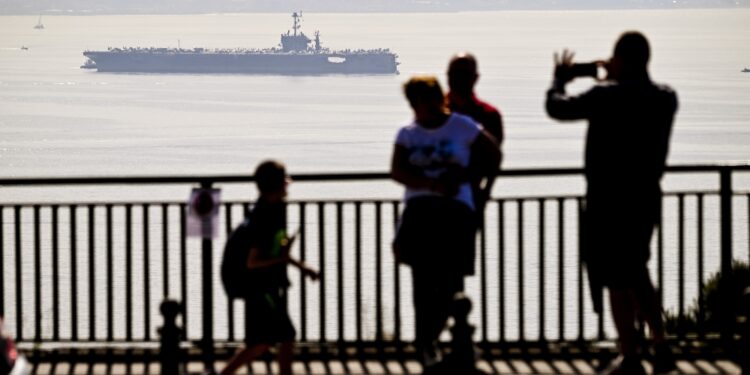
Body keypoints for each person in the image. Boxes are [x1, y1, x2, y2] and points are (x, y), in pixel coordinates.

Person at [545, 31, 677, 374]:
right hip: (645, 197)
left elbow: (557, 108)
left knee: (616, 280)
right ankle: (660, 343)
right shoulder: (665, 98)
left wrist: (559, 80)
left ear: (621, 59)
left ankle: (630, 356)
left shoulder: (604, 96)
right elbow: (634, 94)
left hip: (607, 200)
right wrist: (611, 77)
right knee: (639, 271)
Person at [391, 76, 500, 369]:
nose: (417, 107)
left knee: (451, 280)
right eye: (413, 102)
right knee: (423, 282)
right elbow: (397, 171)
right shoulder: (407, 133)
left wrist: (477, 189)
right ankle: (427, 342)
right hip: (420, 212)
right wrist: (432, 184)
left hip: (455, 211)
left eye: (421, 100)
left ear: (435, 99)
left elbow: (493, 154)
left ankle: (445, 338)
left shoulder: (462, 126)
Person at [220, 160, 319, 375]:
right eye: (284, 182)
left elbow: (275, 253)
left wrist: (303, 268)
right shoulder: (263, 217)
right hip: (259, 287)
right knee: (273, 339)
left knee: (269, 340)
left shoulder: (273, 210)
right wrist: (285, 260)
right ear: (277, 185)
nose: (287, 186)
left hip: (266, 285)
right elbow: (253, 262)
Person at [446, 52, 504, 213]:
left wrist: (485, 191)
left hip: (469, 198)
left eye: (463, 75)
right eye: (454, 74)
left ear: (475, 78)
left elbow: (493, 158)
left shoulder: (489, 115)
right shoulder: (432, 111)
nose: (458, 80)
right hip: (431, 199)